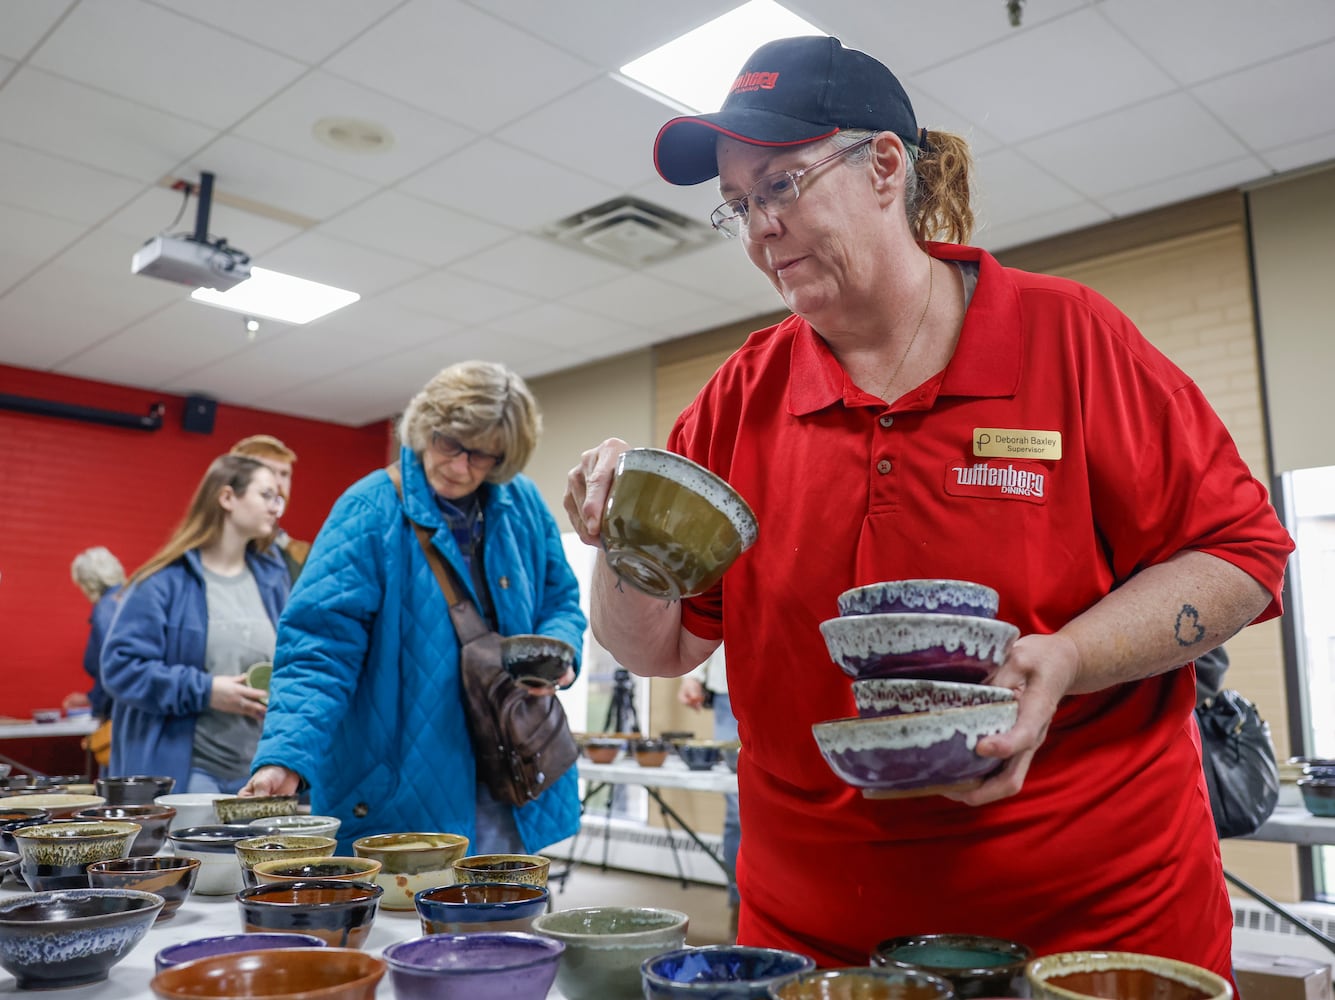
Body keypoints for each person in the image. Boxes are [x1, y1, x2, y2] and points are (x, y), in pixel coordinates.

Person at [564, 35, 1294, 976]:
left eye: (781, 185)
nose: (758, 230)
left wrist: (1068, 656)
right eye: (737, 205)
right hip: (817, 934)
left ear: (882, 167)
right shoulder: (739, 398)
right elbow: (658, 647)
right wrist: (620, 537)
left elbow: (1239, 554)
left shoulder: (1068, 339)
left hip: (1095, 923)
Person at [243, 360, 587, 856]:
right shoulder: (368, 510)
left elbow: (561, 600)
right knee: (411, 924)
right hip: (405, 777)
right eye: (450, 444)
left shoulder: (523, 505)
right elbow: (318, 649)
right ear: (426, 426)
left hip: (511, 771)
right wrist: (286, 754)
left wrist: (557, 652)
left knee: (507, 922)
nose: (460, 467)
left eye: (483, 456)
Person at [101, 455, 288, 794]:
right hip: (190, 772)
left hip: (257, 772)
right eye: (266, 495)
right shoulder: (162, 582)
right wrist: (204, 691)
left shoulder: (272, 581)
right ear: (227, 497)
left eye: (280, 499)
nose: (277, 508)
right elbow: (121, 668)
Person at [678, 644, 741, 937]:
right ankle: (741, 905)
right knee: (738, 810)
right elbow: (709, 606)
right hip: (731, 687)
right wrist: (692, 673)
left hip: (791, 679)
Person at [230, 435, 310, 582]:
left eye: (285, 474)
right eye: (269, 471)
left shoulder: (303, 557)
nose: (279, 483)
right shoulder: (208, 551)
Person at [69, 546, 126, 721]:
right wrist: (91, 698)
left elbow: (112, 665)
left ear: (89, 583)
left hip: (118, 716)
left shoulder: (106, 608)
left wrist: (99, 708)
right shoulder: (130, 598)